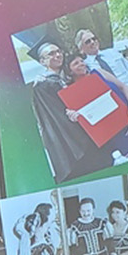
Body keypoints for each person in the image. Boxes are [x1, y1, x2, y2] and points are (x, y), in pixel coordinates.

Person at [63, 51, 128, 163]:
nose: (81, 64)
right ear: (70, 71)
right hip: (116, 133)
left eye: (82, 61)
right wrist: (74, 116)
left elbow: (124, 87)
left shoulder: (98, 72)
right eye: (76, 63)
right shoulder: (71, 92)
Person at [29, 43, 110, 183]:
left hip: (82, 129)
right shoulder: (43, 85)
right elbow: (57, 114)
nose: (57, 55)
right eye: (51, 54)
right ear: (42, 61)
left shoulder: (62, 79)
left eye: (58, 51)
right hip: (71, 137)